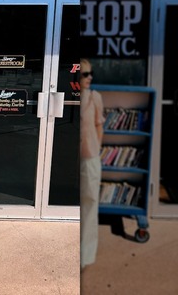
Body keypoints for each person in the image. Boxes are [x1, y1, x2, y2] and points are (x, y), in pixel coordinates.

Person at [80, 58, 104, 270]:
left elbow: (99, 126)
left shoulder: (95, 97)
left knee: (90, 204)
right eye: (84, 74)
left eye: (90, 74)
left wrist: (95, 152)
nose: (89, 78)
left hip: (90, 158)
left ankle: (85, 256)